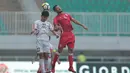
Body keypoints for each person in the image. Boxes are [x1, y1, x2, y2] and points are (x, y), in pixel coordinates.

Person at [51, 5, 88, 73]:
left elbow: (74, 21)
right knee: (59, 51)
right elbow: (55, 28)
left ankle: (71, 67)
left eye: (59, 7)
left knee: (71, 50)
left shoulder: (67, 15)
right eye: (57, 8)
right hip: (64, 35)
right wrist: (57, 28)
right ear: (55, 11)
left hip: (70, 34)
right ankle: (53, 66)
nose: (59, 8)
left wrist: (82, 25)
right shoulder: (56, 18)